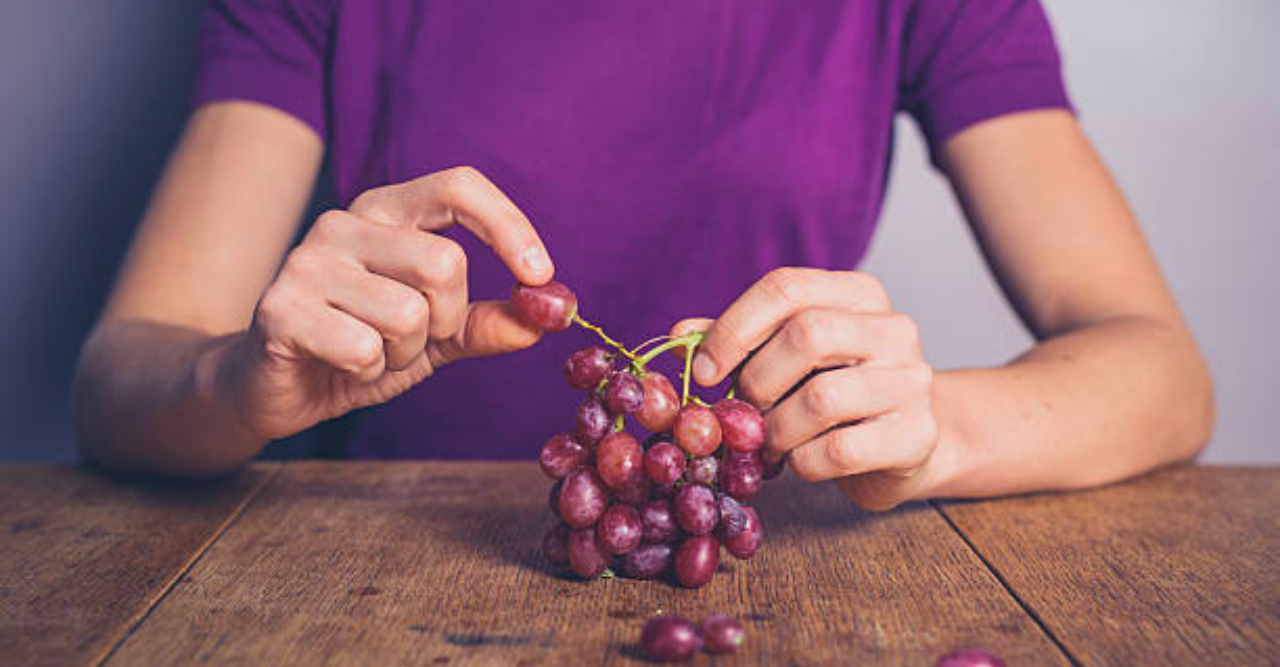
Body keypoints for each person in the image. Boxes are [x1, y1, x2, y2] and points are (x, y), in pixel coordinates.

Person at [73, 0, 1213, 510]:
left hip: (745, 576)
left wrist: (936, 436)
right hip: (365, 593)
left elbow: (1159, 373)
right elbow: (120, 379)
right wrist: (235, 382)